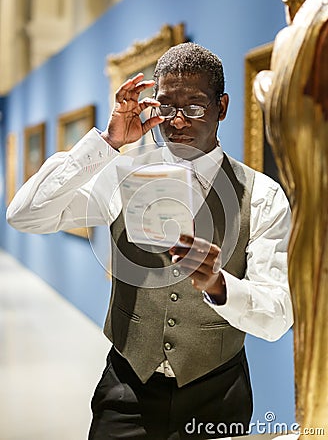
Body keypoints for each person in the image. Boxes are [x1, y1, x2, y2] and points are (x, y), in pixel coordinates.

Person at [6, 42, 293, 440]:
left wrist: (220, 284)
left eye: (194, 107)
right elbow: (24, 214)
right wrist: (106, 144)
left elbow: (278, 316)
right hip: (126, 389)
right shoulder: (120, 174)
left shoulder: (262, 195)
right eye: (165, 107)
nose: (176, 121)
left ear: (222, 107)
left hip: (218, 394)